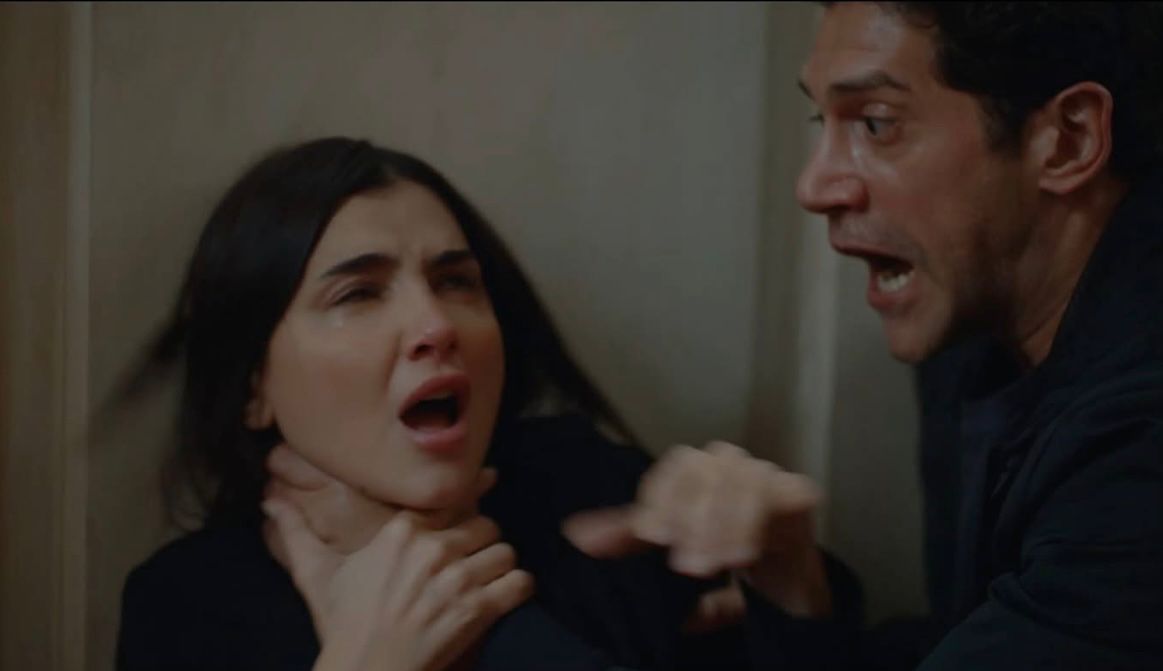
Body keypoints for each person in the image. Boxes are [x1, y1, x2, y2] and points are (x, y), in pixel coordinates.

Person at [278, 3, 1163, 669]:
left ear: (1066, 140)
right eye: (357, 293)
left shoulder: (1136, 441)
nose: (814, 185)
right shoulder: (973, 327)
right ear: (252, 382)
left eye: (876, 124)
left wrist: (442, 611)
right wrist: (794, 588)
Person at [113, 138, 764, 670]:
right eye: (357, 294)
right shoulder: (183, 609)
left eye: (455, 281)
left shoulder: (593, 491)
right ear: (254, 387)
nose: (436, 324)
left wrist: (792, 582)